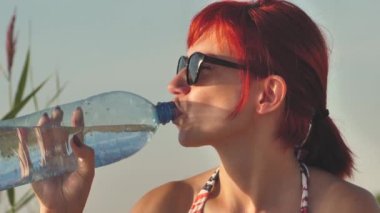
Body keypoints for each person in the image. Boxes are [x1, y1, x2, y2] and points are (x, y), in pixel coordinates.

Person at [32, 0, 380, 212]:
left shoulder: (343, 207)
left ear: (268, 94)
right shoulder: (166, 206)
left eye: (198, 68)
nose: (175, 84)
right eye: (182, 65)